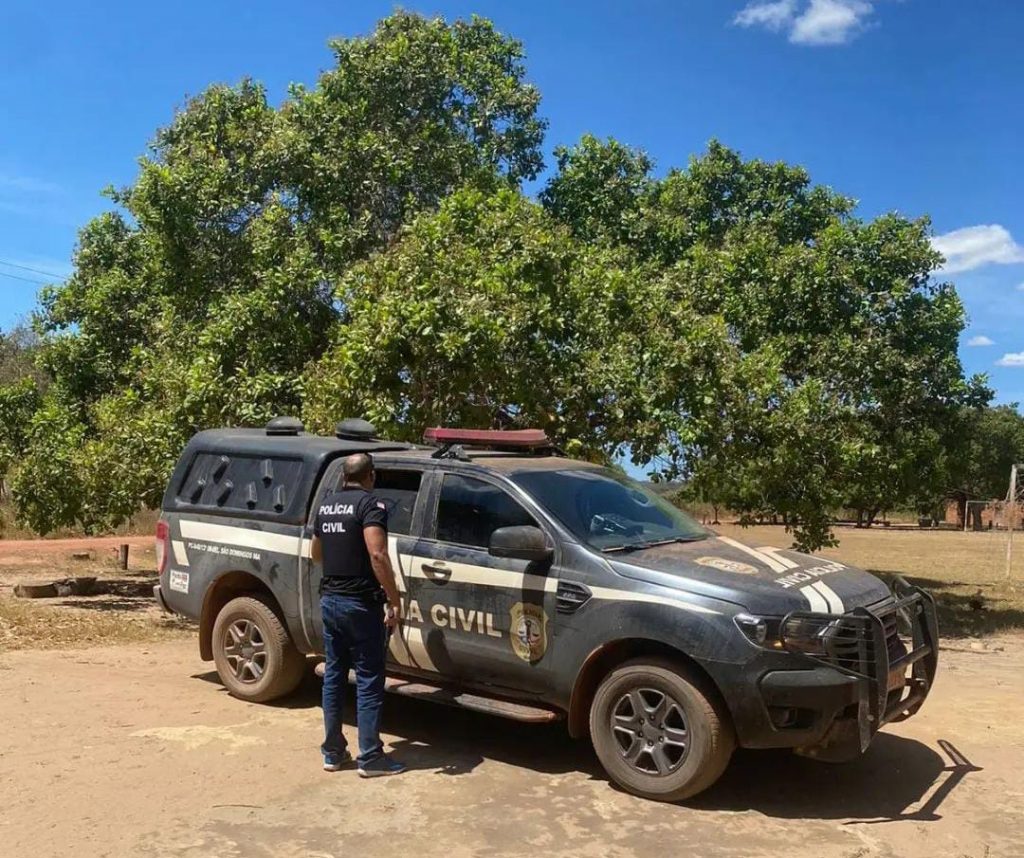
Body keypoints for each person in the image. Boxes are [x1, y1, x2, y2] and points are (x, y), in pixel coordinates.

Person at [311, 452, 406, 777]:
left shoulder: (326, 506)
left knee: (334, 677)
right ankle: (370, 758)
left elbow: (316, 553)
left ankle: (333, 753)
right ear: (371, 476)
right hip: (360, 604)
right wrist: (394, 600)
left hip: (331, 600)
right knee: (368, 679)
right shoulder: (371, 506)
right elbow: (377, 554)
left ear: (343, 476)